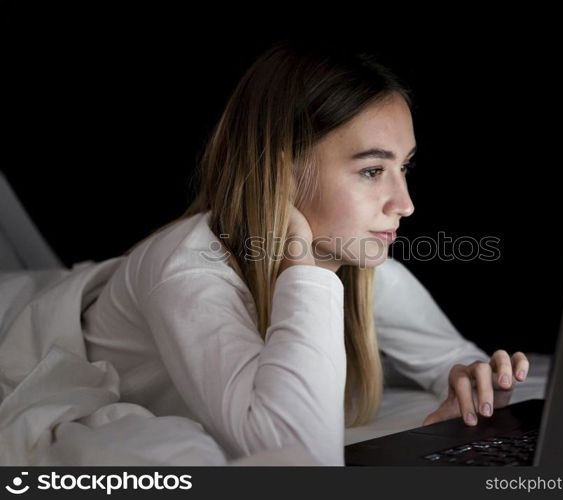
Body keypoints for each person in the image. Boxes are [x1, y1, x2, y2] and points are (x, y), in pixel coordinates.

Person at [80, 39, 530, 466]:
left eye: (404, 166)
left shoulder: (360, 264)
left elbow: (446, 358)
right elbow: (300, 457)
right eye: (373, 170)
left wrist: (476, 385)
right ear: (282, 173)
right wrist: (305, 267)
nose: (405, 204)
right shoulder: (190, 275)